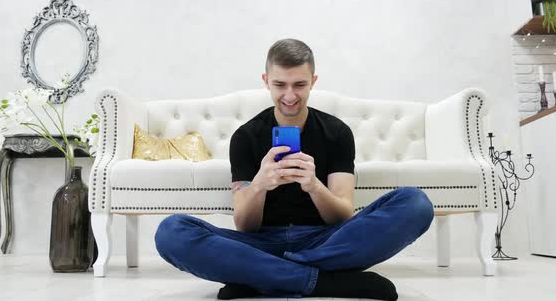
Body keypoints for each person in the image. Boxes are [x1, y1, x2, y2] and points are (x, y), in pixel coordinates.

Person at [155, 38, 434, 300]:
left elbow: (341, 215)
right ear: (266, 82)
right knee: (172, 232)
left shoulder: (336, 132)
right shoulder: (246, 136)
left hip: (326, 241)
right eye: (280, 84)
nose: (290, 95)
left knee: (416, 203)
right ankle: (324, 281)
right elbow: (245, 224)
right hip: (260, 242)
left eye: (299, 84)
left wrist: (314, 185)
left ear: (313, 82)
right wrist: (260, 185)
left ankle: (262, 275)